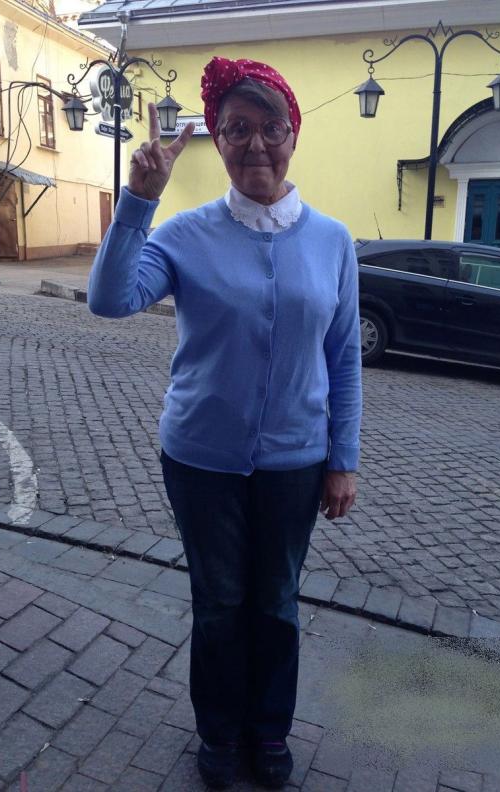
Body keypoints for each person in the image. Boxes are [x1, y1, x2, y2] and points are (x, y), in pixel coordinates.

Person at [88, 56, 362, 790]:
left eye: (271, 127)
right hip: (201, 461)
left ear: (294, 134)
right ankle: (217, 731)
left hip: (296, 463)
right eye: (236, 129)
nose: (256, 144)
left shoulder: (333, 241)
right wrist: (139, 200)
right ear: (219, 139)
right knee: (217, 604)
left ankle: (268, 731)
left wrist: (343, 457)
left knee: (276, 603)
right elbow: (110, 299)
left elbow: (343, 357)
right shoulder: (185, 234)